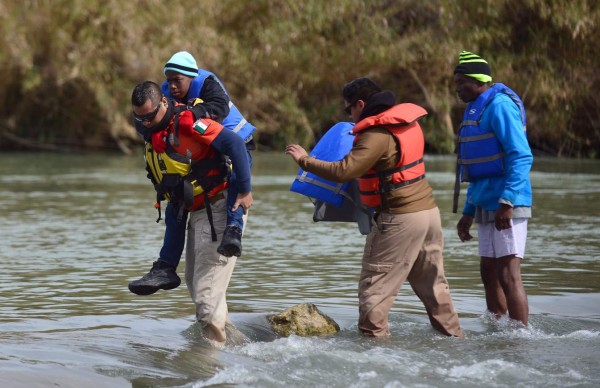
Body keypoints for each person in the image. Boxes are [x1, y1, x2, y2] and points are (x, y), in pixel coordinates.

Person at [285, 77, 463, 338]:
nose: (349, 115)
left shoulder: (376, 133)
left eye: (349, 110)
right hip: (428, 215)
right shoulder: (407, 123)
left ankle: (374, 356)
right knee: (434, 287)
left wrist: (305, 160)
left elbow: (345, 170)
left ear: (360, 104)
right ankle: (455, 340)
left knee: (374, 293)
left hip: (399, 219)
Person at [131, 81, 252, 343]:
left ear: (163, 102)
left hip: (220, 207)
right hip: (196, 212)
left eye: (150, 116)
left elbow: (236, 145)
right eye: (140, 118)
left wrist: (244, 190)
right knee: (200, 290)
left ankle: (207, 370)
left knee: (206, 299)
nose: (146, 123)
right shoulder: (153, 130)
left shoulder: (188, 123)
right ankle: (240, 357)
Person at [453, 51, 532, 326]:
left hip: (508, 202)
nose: (458, 88)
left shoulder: (499, 106)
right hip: (485, 202)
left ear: (479, 81)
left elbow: (521, 155)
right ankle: (497, 329)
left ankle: (520, 335)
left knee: (508, 273)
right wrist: (468, 212)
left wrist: (507, 202)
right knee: (488, 272)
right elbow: (478, 171)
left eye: (462, 82)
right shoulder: (476, 108)